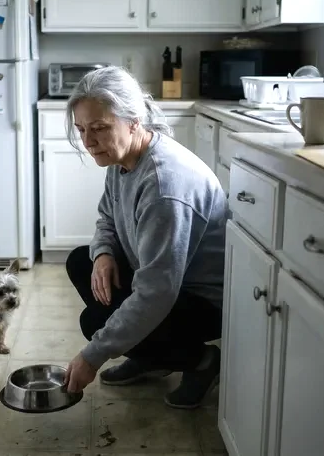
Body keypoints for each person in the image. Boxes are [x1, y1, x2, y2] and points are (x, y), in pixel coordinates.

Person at [62, 66, 228, 409]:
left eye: (99, 128)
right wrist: (104, 253)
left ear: (134, 121)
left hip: (201, 301)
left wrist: (92, 356)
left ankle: (202, 362)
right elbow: (107, 215)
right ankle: (152, 356)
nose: (88, 141)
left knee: (95, 323)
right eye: (81, 130)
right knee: (83, 261)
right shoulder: (121, 158)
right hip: (165, 280)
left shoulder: (165, 187)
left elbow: (156, 292)